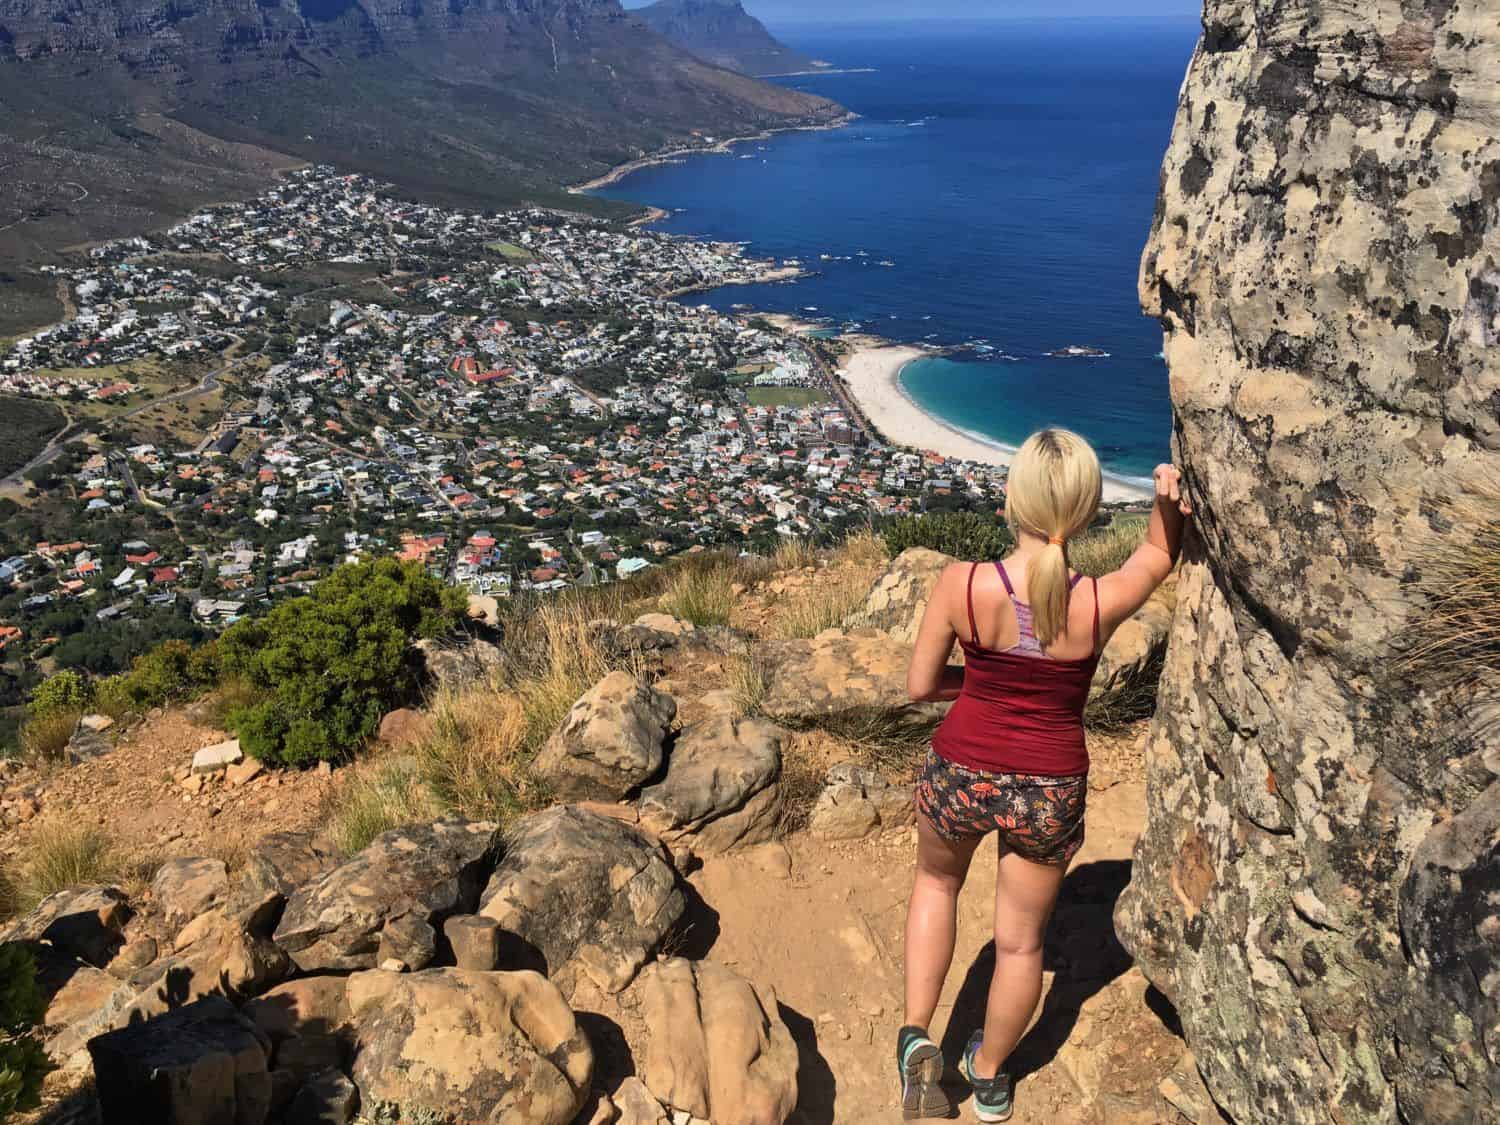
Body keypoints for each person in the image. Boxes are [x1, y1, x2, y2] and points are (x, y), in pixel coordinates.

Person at [895, 428, 1191, 1122]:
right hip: (1048, 787)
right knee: (1022, 941)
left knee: (937, 882)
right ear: (1085, 514)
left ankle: (916, 1034)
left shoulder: (961, 585)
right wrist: (1166, 497)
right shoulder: (1097, 601)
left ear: (1010, 499)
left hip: (960, 769)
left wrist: (972, 688)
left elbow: (919, 683)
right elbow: (1158, 554)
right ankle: (989, 1075)